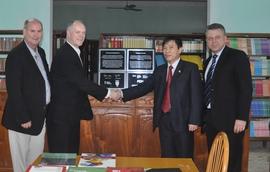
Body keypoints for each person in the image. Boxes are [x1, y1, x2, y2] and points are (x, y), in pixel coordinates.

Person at [115, 37, 202, 158]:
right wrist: (121, 93)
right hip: (164, 121)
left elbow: (196, 96)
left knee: (184, 158)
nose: (167, 51)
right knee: (167, 157)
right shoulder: (160, 70)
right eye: (164, 48)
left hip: (183, 122)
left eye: (171, 48)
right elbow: (144, 87)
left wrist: (194, 120)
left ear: (180, 49)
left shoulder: (191, 68)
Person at [47, 20, 119, 153]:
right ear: (68, 33)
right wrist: (109, 93)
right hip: (61, 120)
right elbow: (82, 82)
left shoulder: (73, 52)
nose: (81, 36)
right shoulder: (66, 55)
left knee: (71, 157)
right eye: (77, 32)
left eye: (83, 33)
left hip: (69, 117)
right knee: (61, 160)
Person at [1, 18, 50, 172]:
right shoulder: (16, 55)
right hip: (22, 120)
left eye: (39, 31)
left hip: (39, 117)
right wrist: (23, 117)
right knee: (21, 164)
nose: (36, 34)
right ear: (24, 32)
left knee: (35, 162)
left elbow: (44, 81)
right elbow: (14, 89)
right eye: (32, 30)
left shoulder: (41, 52)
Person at [203, 23, 252, 172]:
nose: (213, 41)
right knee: (216, 161)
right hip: (211, 120)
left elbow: (246, 89)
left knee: (231, 162)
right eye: (210, 38)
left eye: (217, 37)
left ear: (225, 39)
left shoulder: (237, 57)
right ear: (206, 41)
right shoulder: (207, 62)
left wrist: (242, 117)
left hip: (232, 121)